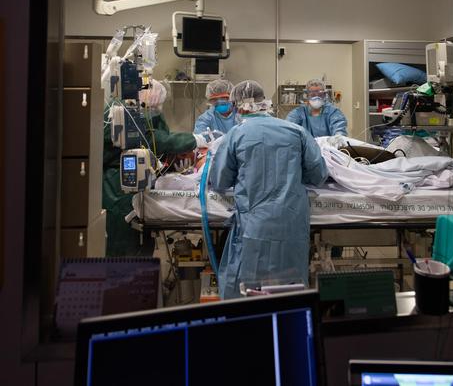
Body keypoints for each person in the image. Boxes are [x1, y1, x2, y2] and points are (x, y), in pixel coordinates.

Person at [209, 80, 328, 299]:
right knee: (291, 292)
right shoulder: (296, 131)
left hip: (254, 227)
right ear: (263, 102)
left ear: (238, 106)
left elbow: (220, 181)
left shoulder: (235, 134)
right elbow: (318, 176)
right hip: (291, 224)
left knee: (249, 293)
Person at [103, 79, 211, 256]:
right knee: (124, 243)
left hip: (136, 180)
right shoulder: (121, 113)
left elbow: (158, 139)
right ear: (145, 95)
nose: (156, 109)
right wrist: (192, 140)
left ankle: (140, 269)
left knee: (141, 242)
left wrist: (171, 162)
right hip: (117, 186)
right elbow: (153, 139)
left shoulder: (142, 112)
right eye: (155, 105)